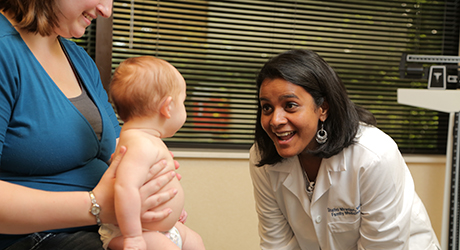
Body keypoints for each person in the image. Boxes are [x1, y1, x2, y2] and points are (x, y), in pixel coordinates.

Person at [0, 1, 180, 249]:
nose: (106, 11)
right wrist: (96, 206)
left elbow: (117, 149)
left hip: (103, 227)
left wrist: (157, 195)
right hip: (31, 237)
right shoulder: (4, 51)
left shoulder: (78, 59)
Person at [249, 49, 441, 250]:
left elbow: (382, 246)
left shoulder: (374, 155)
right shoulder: (263, 158)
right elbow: (276, 243)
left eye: (290, 105)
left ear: (323, 108)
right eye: (267, 108)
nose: (275, 120)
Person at [103, 56, 205, 250]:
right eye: (182, 102)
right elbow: (126, 188)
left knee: (195, 241)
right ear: (167, 107)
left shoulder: (144, 139)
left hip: (161, 229)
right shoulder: (140, 144)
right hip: (137, 234)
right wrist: (133, 237)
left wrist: (174, 209)